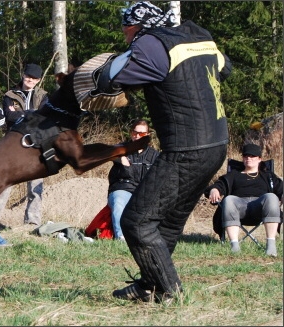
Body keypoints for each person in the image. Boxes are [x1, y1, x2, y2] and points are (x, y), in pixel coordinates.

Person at [96, 1, 232, 302]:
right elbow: (225, 68)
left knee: (136, 221)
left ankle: (171, 291)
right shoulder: (196, 35)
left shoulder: (150, 44)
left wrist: (108, 69)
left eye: (126, 28)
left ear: (138, 26)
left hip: (186, 149)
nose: (124, 34)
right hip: (216, 144)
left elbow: (116, 78)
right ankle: (149, 286)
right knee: (167, 221)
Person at [0, 63, 49, 227]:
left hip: (36, 145)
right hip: (14, 144)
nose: (30, 80)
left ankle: (32, 222)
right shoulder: (10, 95)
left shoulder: (44, 96)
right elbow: (8, 116)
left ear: (38, 80)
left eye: (34, 78)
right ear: (23, 75)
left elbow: (44, 117)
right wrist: (31, 113)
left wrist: (22, 114)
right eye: (28, 76)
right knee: (4, 185)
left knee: (35, 186)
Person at [204, 143, 283, 256]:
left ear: (259, 159)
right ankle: (235, 247)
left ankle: (271, 246)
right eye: (246, 156)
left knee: (271, 197)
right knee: (229, 199)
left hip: (260, 208)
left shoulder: (267, 175)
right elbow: (219, 184)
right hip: (238, 207)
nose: (248, 158)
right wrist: (214, 190)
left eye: (252, 156)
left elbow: (281, 188)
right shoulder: (234, 175)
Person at [107, 120, 159, 240]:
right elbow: (108, 152)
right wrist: (122, 158)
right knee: (119, 201)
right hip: (123, 189)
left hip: (144, 193)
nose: (137, 136)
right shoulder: (121, 149)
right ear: (131, 133)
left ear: (147, 135)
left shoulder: (154, 155)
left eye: (141, 134)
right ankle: (121, 237)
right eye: (135, 133)